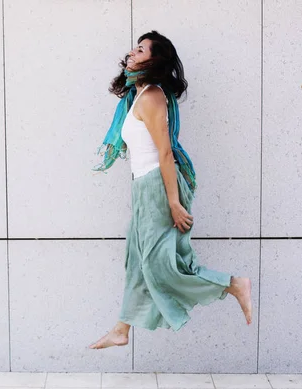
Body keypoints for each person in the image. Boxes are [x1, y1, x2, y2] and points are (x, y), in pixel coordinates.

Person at [88, 31, 252, 349]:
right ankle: (122, 329)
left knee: (159, 264)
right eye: (134, 48)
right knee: (137, 258)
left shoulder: (151, 96)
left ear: (154, 60)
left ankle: (233, 285)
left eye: (141, 49)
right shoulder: (134, 97)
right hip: (142, 188)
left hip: (156, 188)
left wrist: (174, 203)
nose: (132, 53)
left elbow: (165, 152)